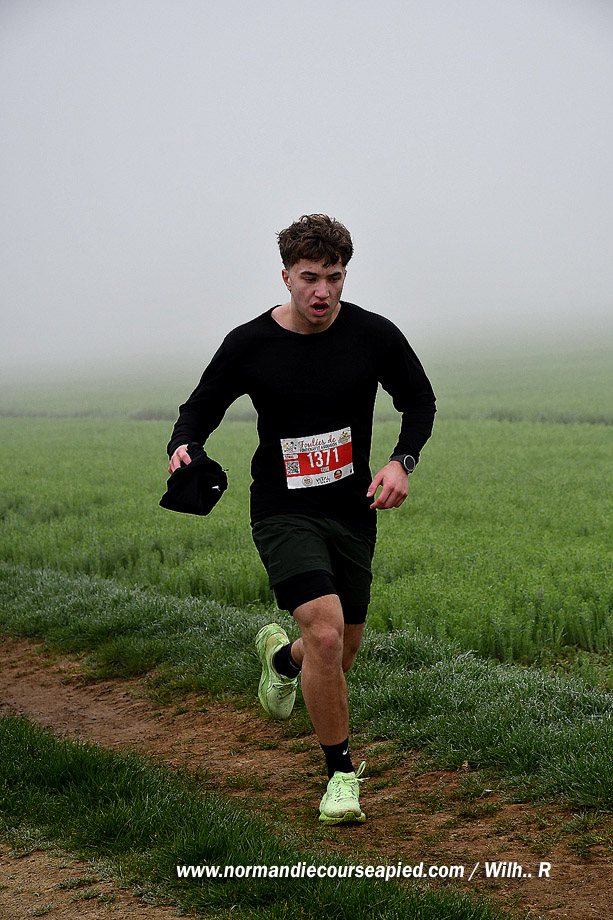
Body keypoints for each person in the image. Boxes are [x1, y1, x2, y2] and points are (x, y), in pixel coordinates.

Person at [166, 214, 436, 824]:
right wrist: (184, 446)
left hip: (351, 510)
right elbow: (198, 409)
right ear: (286, 276)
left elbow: (419, 400)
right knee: (325, 632)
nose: (323, 291)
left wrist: (402, 461)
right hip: (282, 509)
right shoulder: (249, 343)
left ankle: (280, 662)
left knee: (339, 652)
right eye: (310, 278)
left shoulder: (373, 335)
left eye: (334, 278)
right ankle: (340, 775)